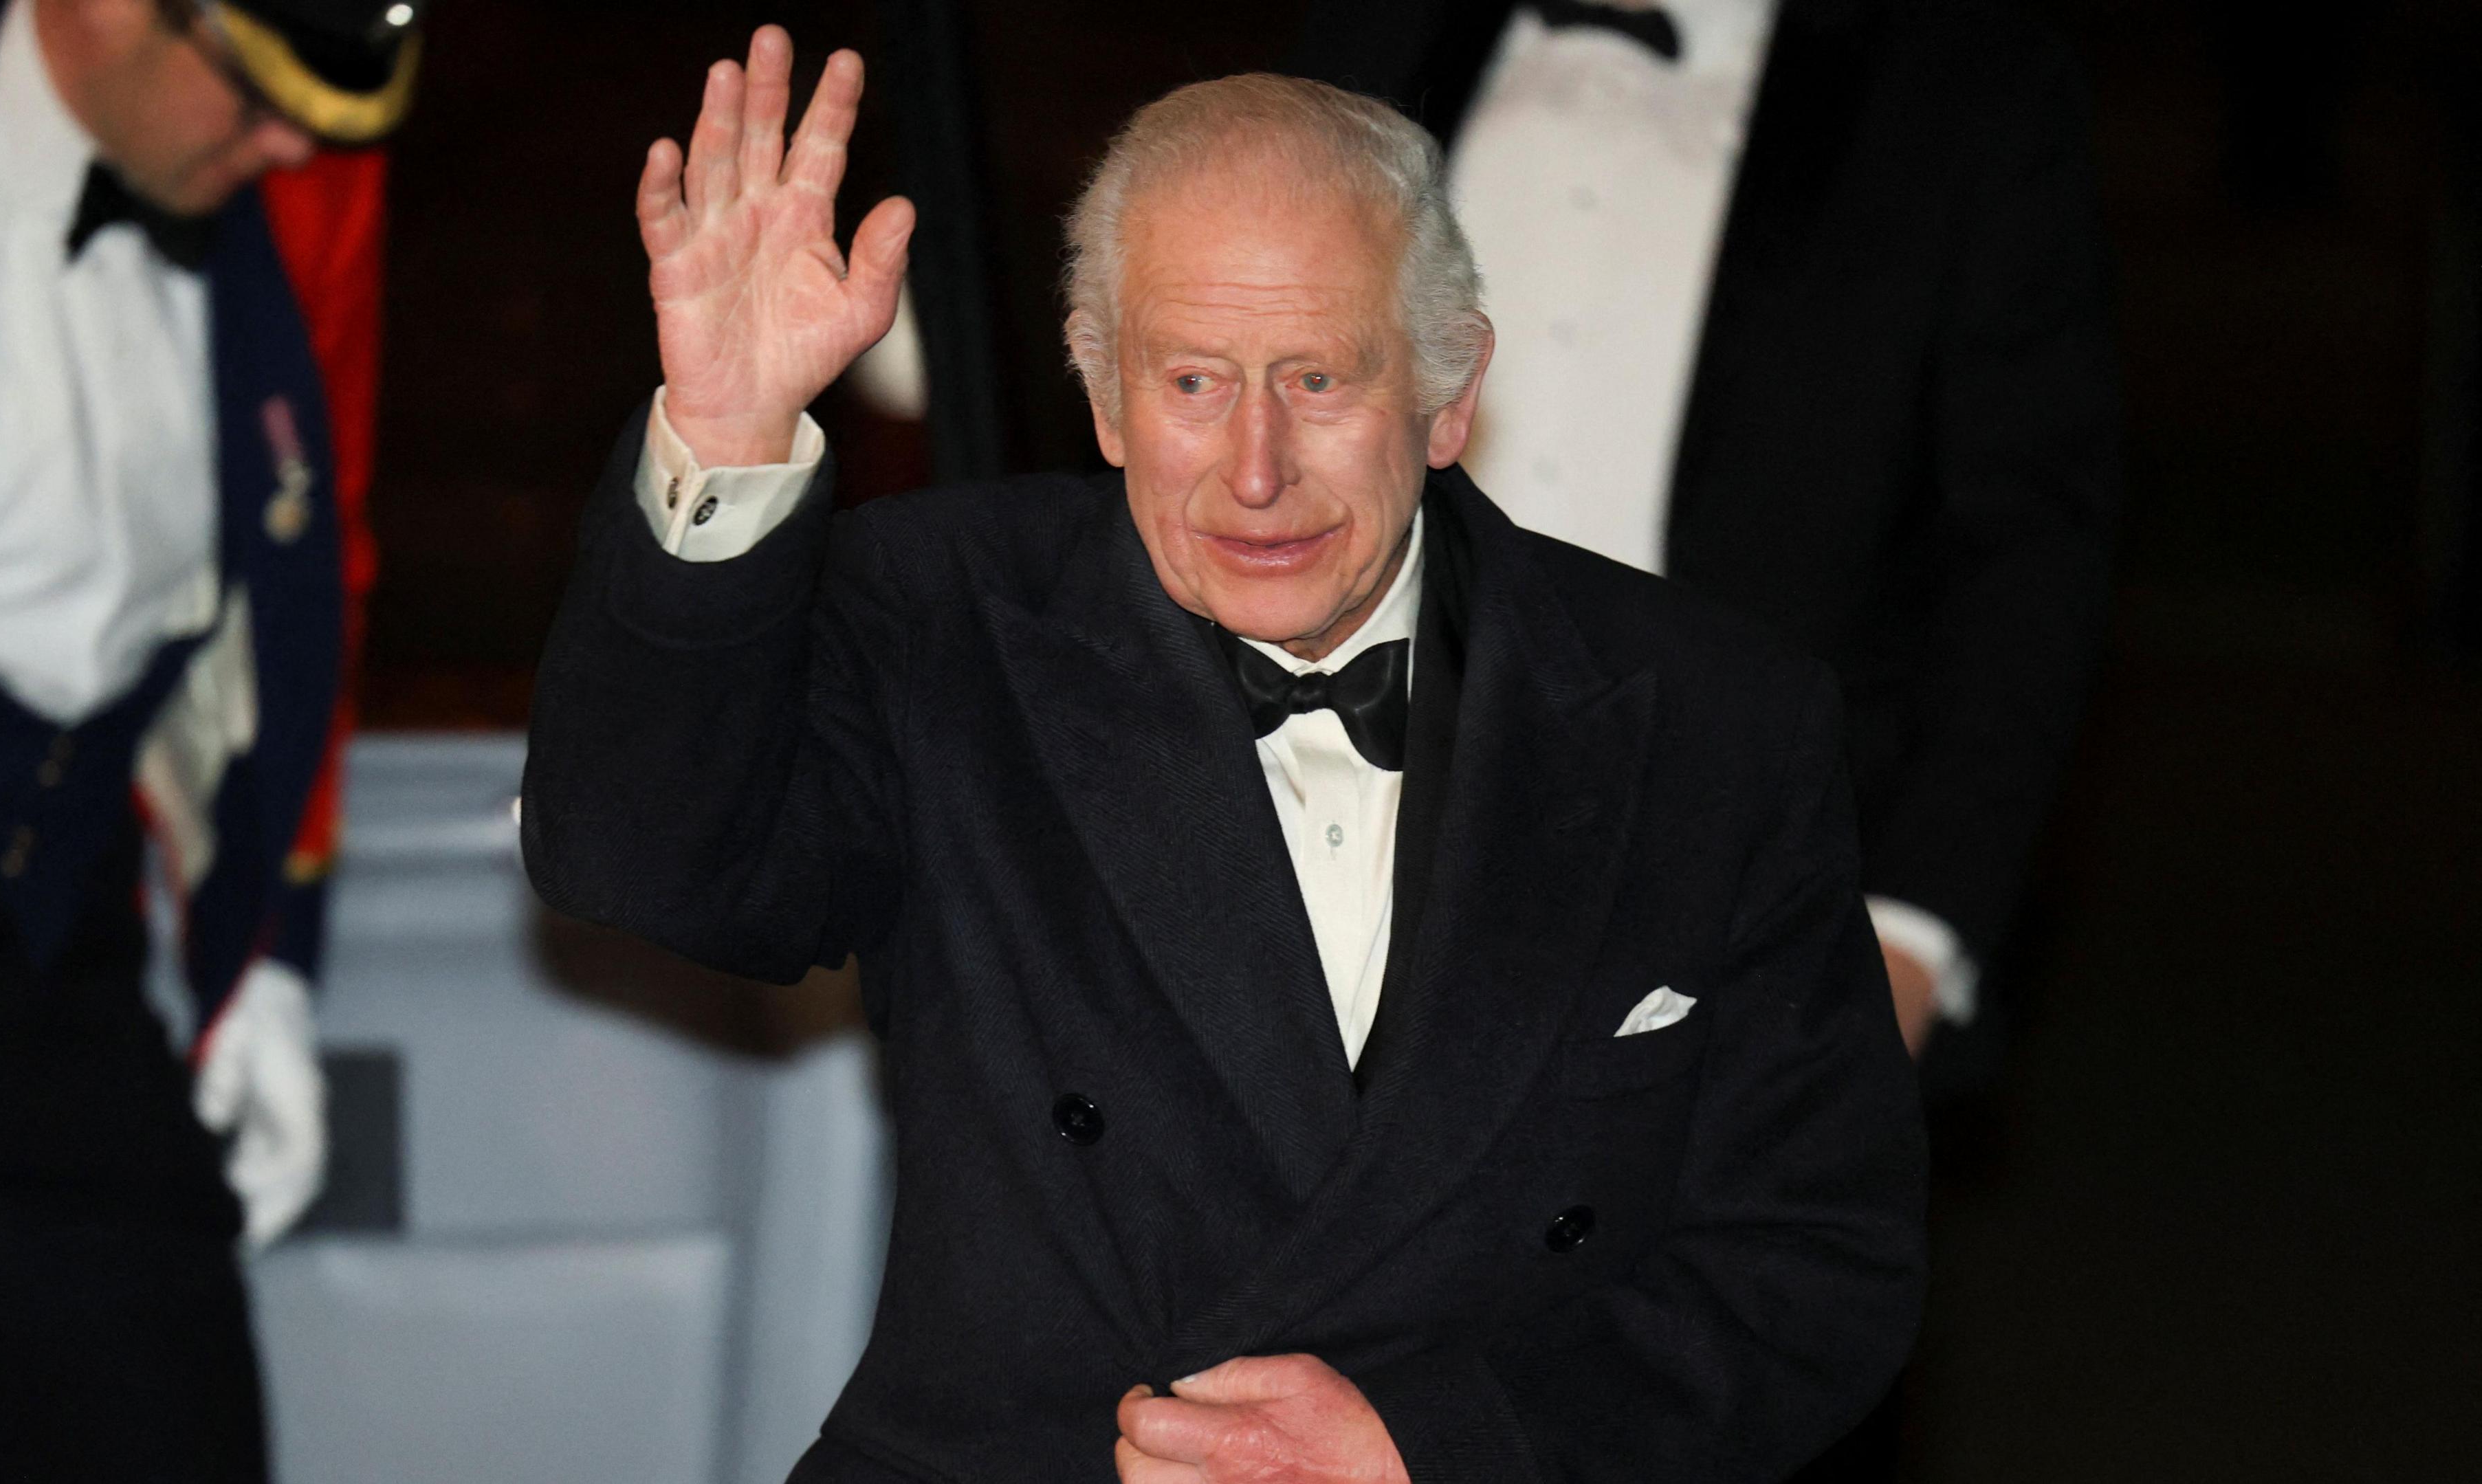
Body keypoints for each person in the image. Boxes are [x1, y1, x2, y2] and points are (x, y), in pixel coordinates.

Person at [523, 26, 1925, 1483]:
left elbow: (1819, 1267)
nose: (1255, 473)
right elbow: (641, 859)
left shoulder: (1710, 720)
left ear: (1451, 396)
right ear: (1103, 394)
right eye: (1193, 383)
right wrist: (731, 428)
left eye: (1318, 380)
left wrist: (1429, 1449)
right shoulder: (940, 623)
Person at [1287, 0, 2123, 1074]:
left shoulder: (1962, 82)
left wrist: (1911, 935)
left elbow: (2031, 541)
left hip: (1738, 913)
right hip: (1339, 876)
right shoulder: (1374, 39)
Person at [0, 0, 410, 1476]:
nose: (297, 141)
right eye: (254, 88)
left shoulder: (300, 183)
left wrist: (272, 946)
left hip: (42, 928)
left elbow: (310, 567)